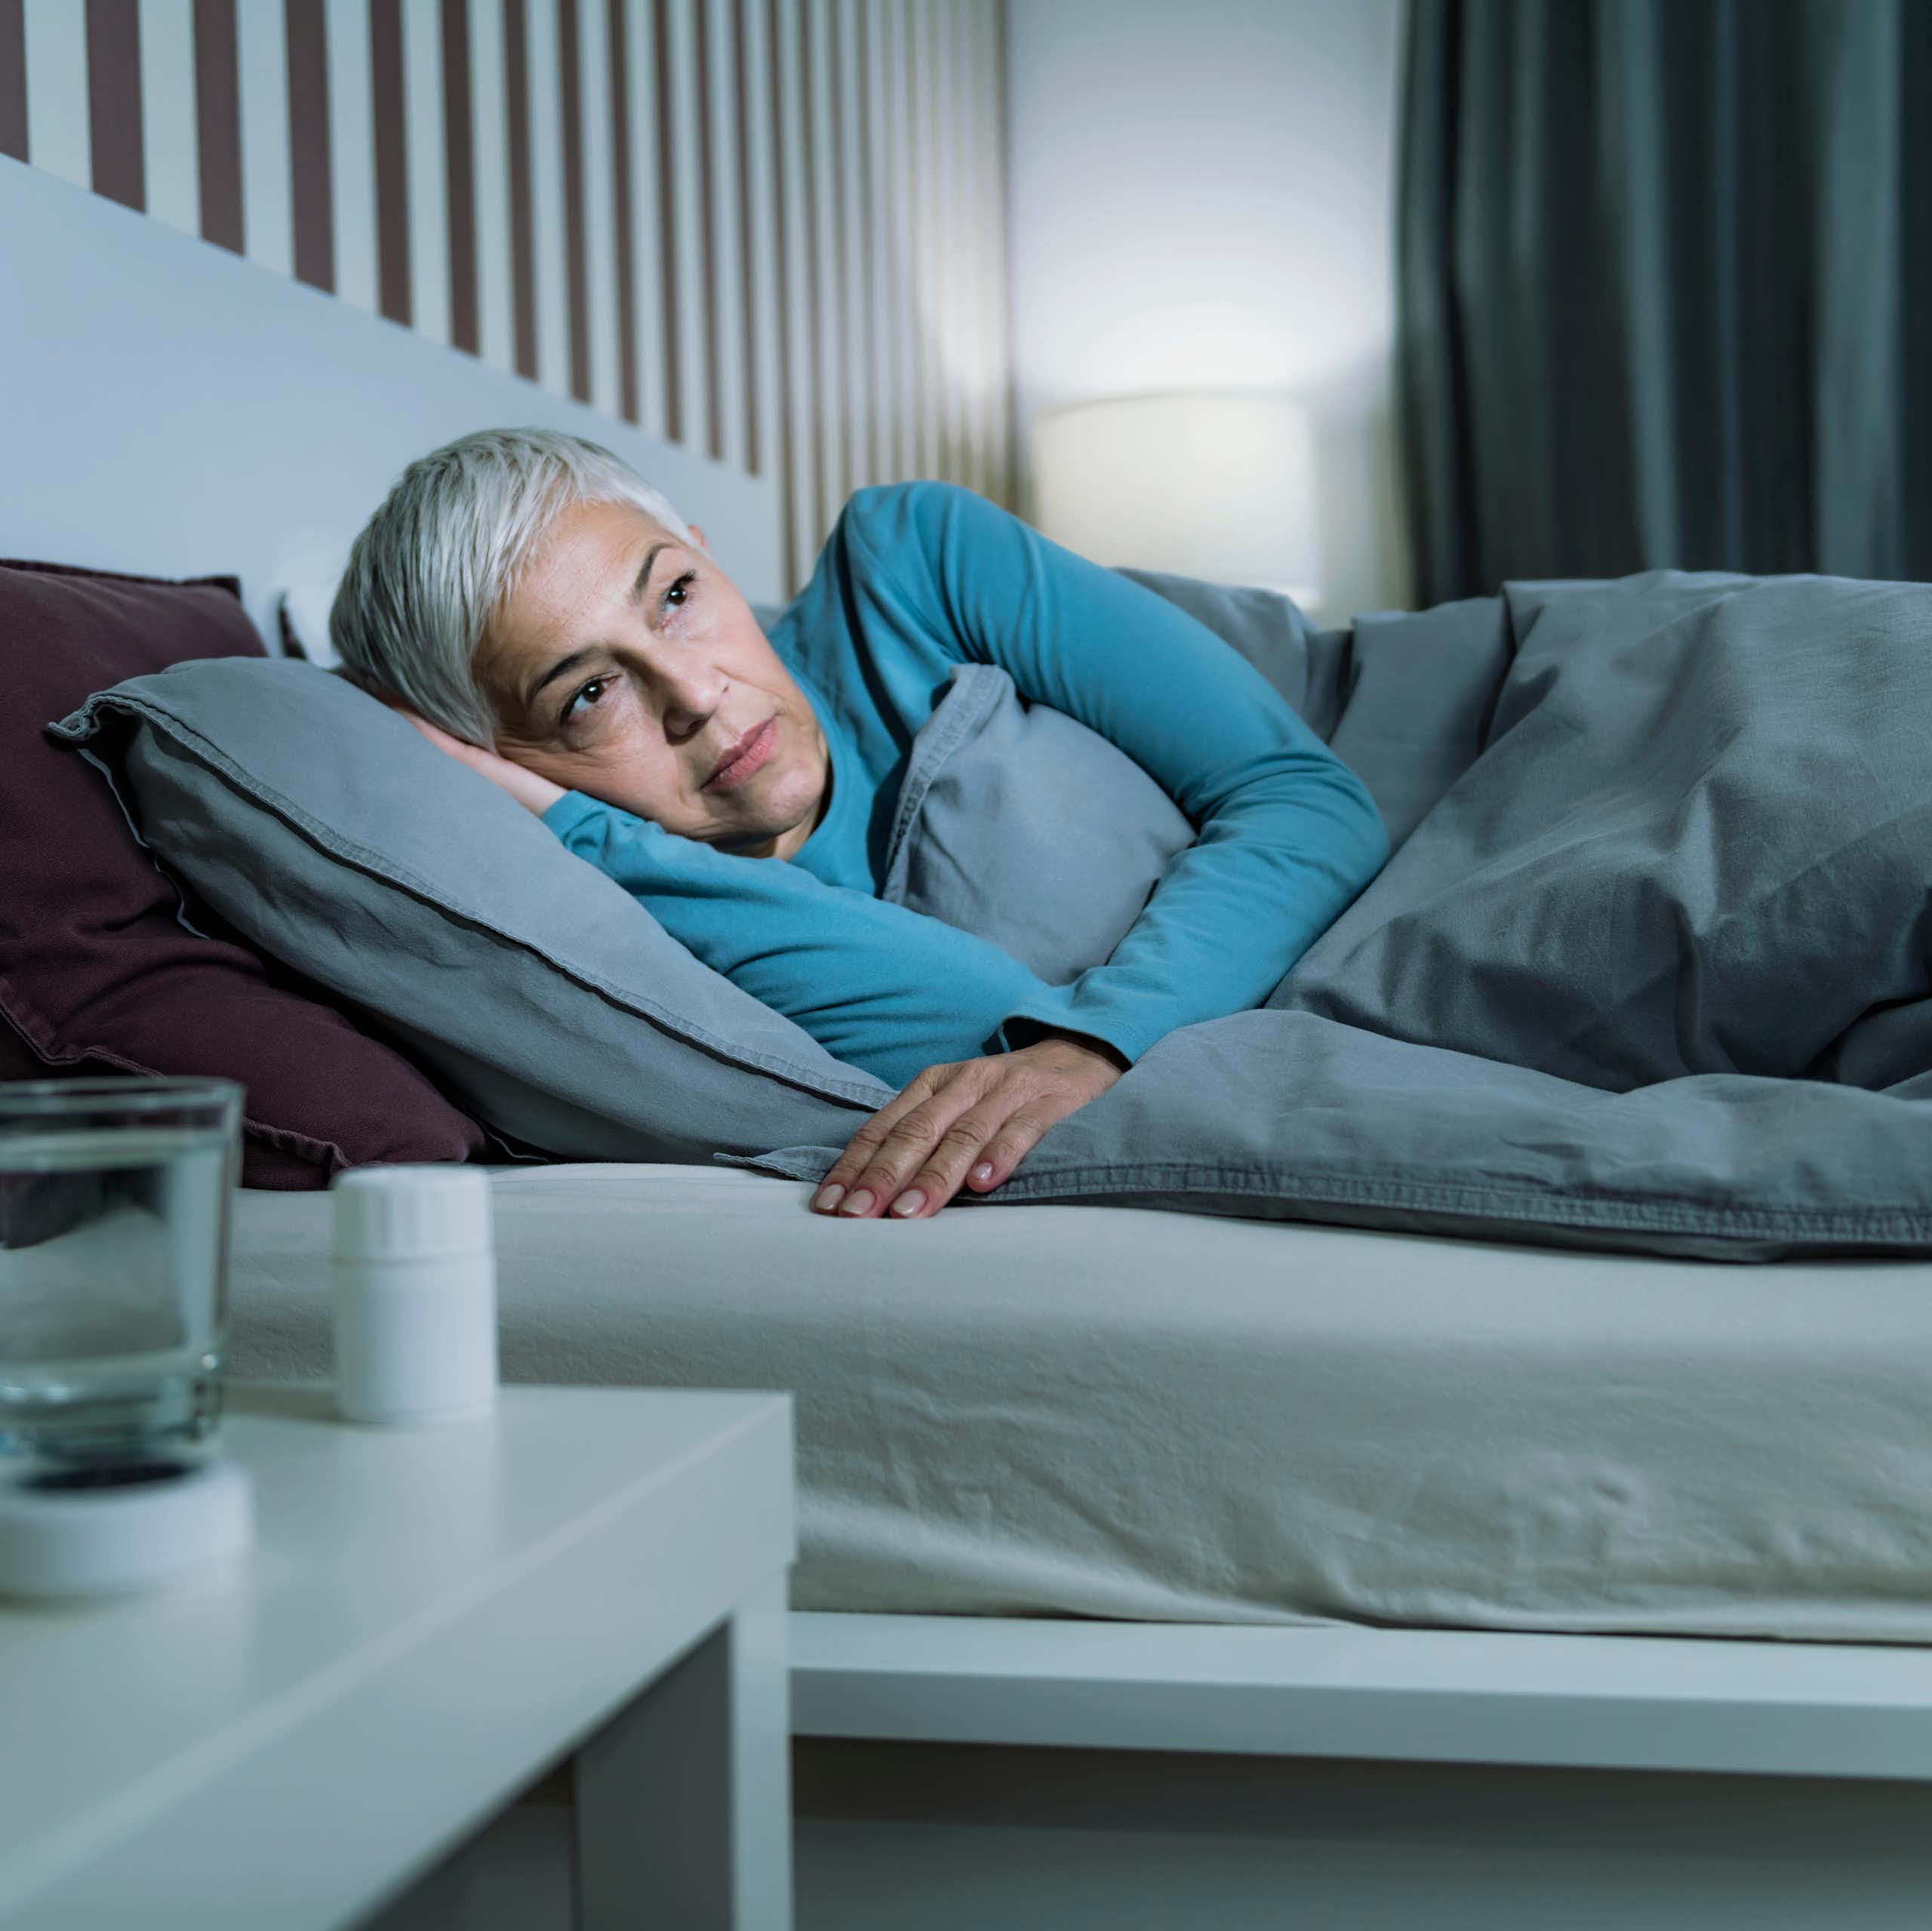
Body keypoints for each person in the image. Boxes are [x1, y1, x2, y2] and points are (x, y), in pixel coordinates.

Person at [328, 428, 1389, 1219]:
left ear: (709, 555)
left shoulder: (912, 559)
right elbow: (975, 1016)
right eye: (588, 696)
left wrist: (1090, 1046)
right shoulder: (604, 902)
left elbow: (1302, 793)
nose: (694, 694)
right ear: (503, 761)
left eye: (676, 596)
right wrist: (581, 830)